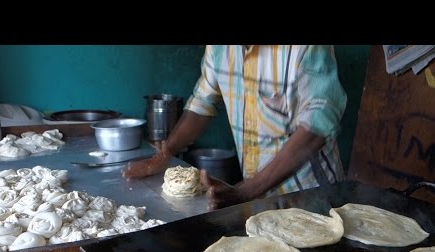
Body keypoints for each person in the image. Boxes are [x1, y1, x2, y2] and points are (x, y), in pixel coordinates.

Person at [123, 45, 347, 210]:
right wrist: (165, 153)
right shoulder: (220, 49)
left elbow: (317, 124)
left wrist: (246, 191)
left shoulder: (306, 48)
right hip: (257, 196)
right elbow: (202, 103)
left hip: (310, 196)